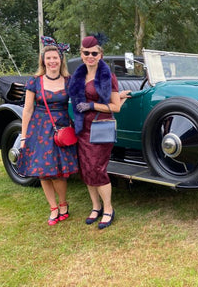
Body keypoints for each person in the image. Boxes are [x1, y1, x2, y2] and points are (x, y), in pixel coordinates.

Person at [69, 35, 131, 229]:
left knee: (97, 168)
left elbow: (115, 107)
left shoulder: (108, 76)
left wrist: (92, 105)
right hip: (82, 128)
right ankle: (95, 207)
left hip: (100, 127)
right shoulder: (78, 76)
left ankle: (108, 209)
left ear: (100, 55)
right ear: (81, 54)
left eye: (94, 53)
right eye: (86, 53)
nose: (90, 56)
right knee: (86, 168)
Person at [17, 36, 79, 226]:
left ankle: (63, 204)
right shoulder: (34, 81)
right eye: (49, 58)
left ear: (61, 60)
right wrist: (24, 136)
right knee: (44, 171)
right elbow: (27, 110)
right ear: (43, 61)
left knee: (59, 172)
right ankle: (53, 208)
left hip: (61, 130)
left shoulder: (69, 81)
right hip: (39, 130)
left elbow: (77, 105)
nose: (52, 61)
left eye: (56, 58)